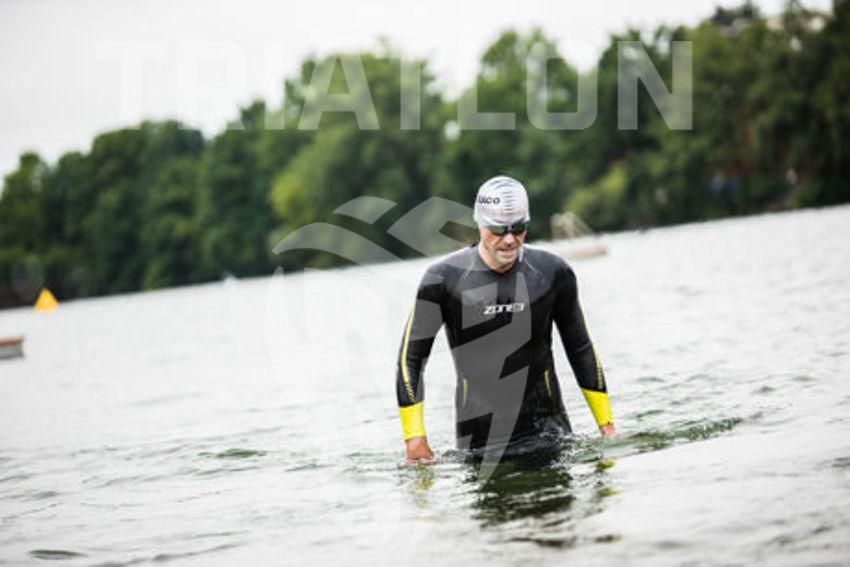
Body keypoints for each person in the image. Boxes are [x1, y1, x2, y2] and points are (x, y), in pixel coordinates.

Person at [396, 176, 615, 464]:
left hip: (552, 438)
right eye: (499, 230)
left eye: (518, 228)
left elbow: (580, 348)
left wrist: (607, 426)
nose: (510, 240)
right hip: (479, 447)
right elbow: (410, 360)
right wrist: (415, 438)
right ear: (479, 222)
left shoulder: (552, 273)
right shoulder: (443, 279)